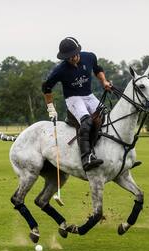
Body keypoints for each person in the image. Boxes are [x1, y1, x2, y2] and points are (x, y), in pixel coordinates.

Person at [42, 37, 112, 171]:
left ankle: (114, 152)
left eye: (73, 55)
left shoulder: (89, 57)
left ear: (78, 51)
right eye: (67, 57)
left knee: (107, 117)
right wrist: (51, 108)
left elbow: (98, 69)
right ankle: (87, 157)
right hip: (73, 98)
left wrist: (104, 82)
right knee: (87, 122)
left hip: (89, 95)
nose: (71, 59)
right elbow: (47, 87)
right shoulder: (60, 70)